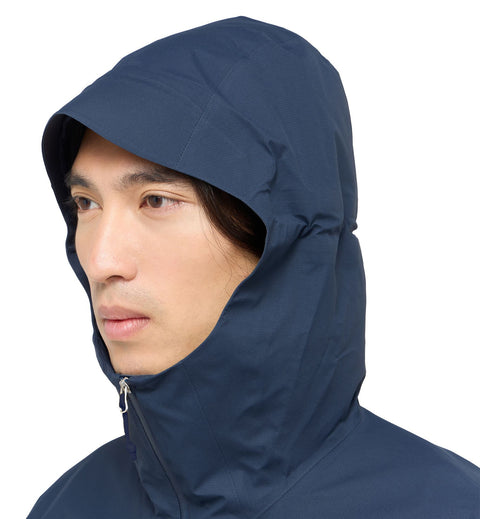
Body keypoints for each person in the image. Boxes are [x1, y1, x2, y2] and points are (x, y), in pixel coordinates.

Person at [27, 15, 480, 519]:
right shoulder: (68, 505)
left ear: (281, 237)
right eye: (86, 203)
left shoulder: (450, 507)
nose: (100, 261)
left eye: (156, 200)